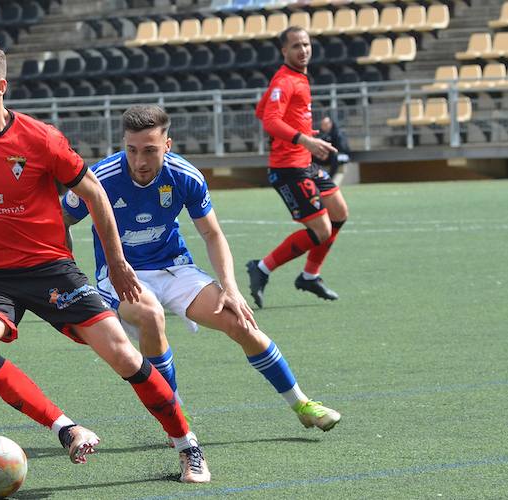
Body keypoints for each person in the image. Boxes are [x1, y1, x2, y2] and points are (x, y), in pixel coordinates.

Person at [0, 42, 210, 483]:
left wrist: (119, 262)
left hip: (51, 268)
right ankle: (64, 428)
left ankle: (188, 445)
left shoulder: (41, 139)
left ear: (0, 87)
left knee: (123, 354)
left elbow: (94, 194)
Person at [61, 104, 341, 443]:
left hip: (175, 267)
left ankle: (302, 404)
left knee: (240, 321)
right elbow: (61, 221)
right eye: (131, 150)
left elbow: (212, 234)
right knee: (150, 315)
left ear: (168, 144)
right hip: (120, 275)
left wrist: (230, 287)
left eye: (150, 150)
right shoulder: (100, 178)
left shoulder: (185, 176)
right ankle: (175, 415)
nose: (140, 161)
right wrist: (68, 275)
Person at [246, 26, 350, 309]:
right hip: (288, 168)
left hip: (305, 162)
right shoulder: (285, 81)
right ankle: (262, 268)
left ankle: (310, 275)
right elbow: (269, 120)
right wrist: (303, 138)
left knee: (339, 211)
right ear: (284, 51)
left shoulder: (296, 78)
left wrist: (302, 128)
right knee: (320, 230)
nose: (302, 50)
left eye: (305, 44)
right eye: (295, 46)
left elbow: (261, 110)